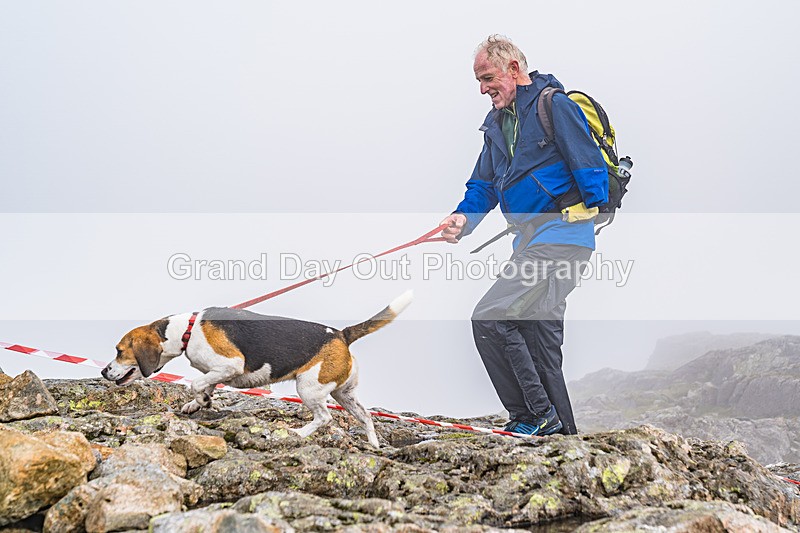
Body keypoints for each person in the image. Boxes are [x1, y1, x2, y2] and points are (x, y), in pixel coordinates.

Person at [440, 35, 608, 436]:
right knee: (538, 342)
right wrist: (463, 220)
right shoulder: (497, 125)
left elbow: (591, 173)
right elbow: (483, 185)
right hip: (531, 243)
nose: (483, 89)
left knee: (491, 317)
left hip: (563, 241)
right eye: (479, 82)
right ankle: (563, 438)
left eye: (488, 78)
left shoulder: (555, 105)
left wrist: (585, 205)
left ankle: (533, 417)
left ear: (514, 69)